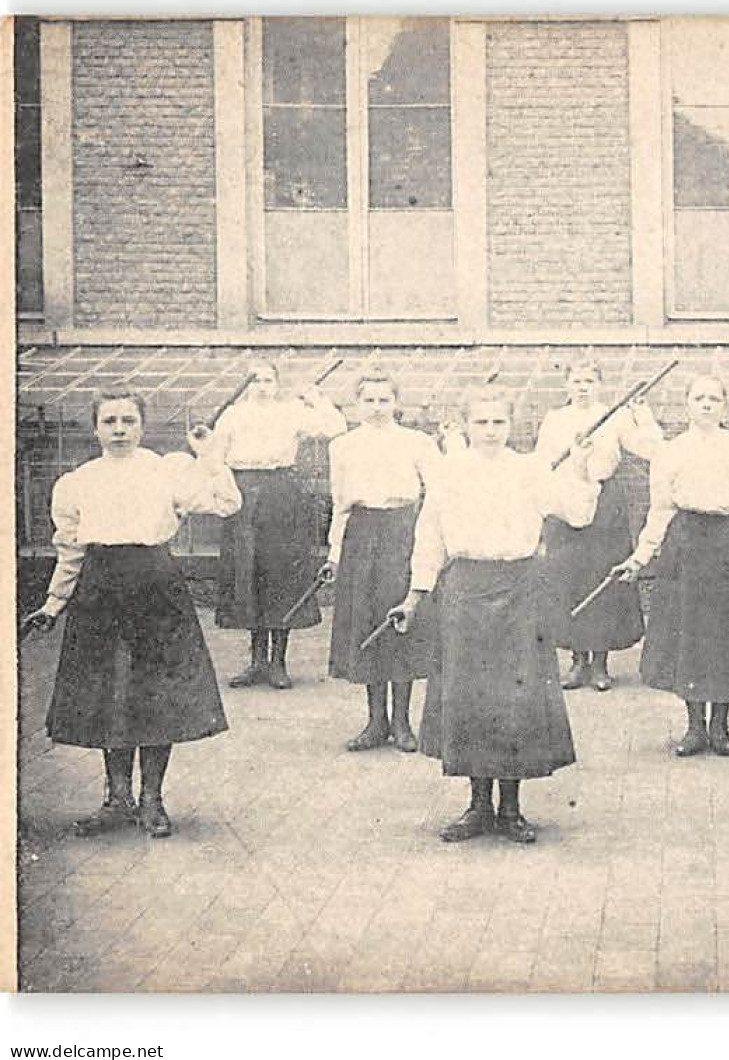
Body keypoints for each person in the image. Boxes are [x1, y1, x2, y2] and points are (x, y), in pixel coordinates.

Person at [22, 389, 241, 839]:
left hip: (156, 586)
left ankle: (152, 799)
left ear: (142, 425)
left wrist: (210, 456)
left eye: (128, 421)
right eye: (110, 421)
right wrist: (52, 604)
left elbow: (226, 504)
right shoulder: (78, 482)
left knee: (155, 694)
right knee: (111, 695)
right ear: (95, 427)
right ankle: (117, 798)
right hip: (100, 592)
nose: (119, 430)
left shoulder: (168, 471)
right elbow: (71, 550)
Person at [392, 389, 604, 844]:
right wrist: (414, 595)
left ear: (512, 427)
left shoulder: (529, 470)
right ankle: (477, 805)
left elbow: (579, 513)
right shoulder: (448, 474)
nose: (490, 432)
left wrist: (582, 466)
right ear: (466, 425)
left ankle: (511, 808)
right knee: (471, 698)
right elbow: (429, 537)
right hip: (465, 592)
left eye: (498, 423)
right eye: (481, 423)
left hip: (521, 591)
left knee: (515, 698)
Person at [611, 376, 729, 757]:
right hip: (685, 545)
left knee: (726, 637)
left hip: (727, 546)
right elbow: (660, 510)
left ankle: (720, 727)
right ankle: (693, 728)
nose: (706, 404)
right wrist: (640, 557)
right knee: (689, 637)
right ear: (687, 404)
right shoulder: (671, 452)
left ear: (725, 406)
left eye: (714, 398)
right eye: (699, 397)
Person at [322, 370, 446, 753]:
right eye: (369, 400)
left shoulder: (417, 443)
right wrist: (334, 554)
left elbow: (441, 493)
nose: (376, 408)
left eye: (384, 400)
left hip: (402, 532)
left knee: (399, 623)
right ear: (356, 405)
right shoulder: (342, 446)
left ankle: (403, 723)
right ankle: (376, 722)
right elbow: (339, 503)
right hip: (361, 535)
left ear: (397, 403)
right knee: (368, 626)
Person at [212, 362, 346, 689]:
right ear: (247, 384)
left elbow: (335, 427)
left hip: (281, 493)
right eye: (255, 379)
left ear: (277, 383)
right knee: (249, 574)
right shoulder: (233, 415)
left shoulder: (290, 411)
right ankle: (256, 662)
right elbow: (215, 456)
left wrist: (316, 398)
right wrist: (224, 493)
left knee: (280, 575)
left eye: (268, 379)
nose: (261, 386)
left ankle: (278, 663)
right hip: (242, 494)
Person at [532, 360, 664, 692]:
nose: (583, 386)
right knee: (570, 578)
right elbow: (541, 462)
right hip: (565, 502)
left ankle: (601, 664)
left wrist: (642, 417)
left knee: (603, 576)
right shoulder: (555, 420)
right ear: (566, 385)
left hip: (605, 504)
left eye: (590, 380)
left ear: (600, 385)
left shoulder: (615, 416)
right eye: (576, 380)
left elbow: (651, 449)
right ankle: (578, 662)